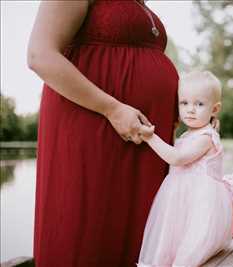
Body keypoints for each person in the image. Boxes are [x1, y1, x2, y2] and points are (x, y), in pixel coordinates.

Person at [27, 0, 179, 266]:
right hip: (93, 126)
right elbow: (40, 55)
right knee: (90, 228)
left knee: (138, 228)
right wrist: (113, 109)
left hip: (140, 137)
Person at [137, 71, 233, 267]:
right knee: (173, 232)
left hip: (201, 199)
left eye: (199, 104)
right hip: (182, 194)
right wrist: (172, 131)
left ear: (215, 109)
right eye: (184, 103)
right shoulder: (190, 134)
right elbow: (176, 150)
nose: (190, 110)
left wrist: (149, 137)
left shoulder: (206, 137)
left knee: (193, 241)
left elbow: (177, 158)